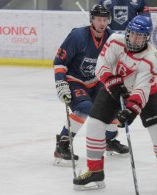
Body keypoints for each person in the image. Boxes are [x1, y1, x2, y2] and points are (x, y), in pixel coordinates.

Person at [73, 15, 157, 191]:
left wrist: (131, 110)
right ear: (128, 32)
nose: (136, 39)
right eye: (133, 34)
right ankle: (95, 171)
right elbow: (102, 65)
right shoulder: (115, 40)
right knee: (94, 124)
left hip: (146, 93)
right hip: (113, 87)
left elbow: (142, 89)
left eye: (141, 36)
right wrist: (113, 83)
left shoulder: (152, 58)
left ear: (147, 38)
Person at [53, 4, 129, 167]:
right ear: (92, 20)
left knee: (112, 107)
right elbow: (59, 60)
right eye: (98, 19)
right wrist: (60, 81)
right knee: (85, 108)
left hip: (96, 81)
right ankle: (62, 145)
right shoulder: (78, 36)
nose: (102, 23)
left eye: (105, 20)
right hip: (75, 81)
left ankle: (109, 140)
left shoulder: (111, 37)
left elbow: (117, 61)